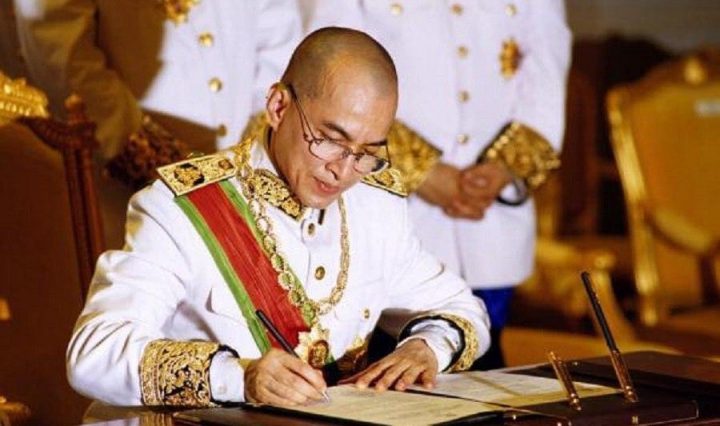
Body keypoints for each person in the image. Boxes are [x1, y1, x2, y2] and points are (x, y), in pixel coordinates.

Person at [66, 27, 490, 407]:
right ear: (278, 106)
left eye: (367, 153)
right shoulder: (178, 208)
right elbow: (94, 354)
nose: (343, 171)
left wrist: (425, 349)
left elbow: (462, 308)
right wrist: (238, 378)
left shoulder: (375, 206)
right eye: (329, 139)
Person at [306, 0, 571, 368]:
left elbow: (546, 76)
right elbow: (332, 76)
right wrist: (422, 170)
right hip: (396, 204)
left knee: (483, 357)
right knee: (378, 359)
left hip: (491, 221)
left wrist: (505, 168)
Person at [12, 0, 302, 248]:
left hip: (246, 189)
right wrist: (152, 158)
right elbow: (60, 54)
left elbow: (276, 32)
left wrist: (258, 152)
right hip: (123, 195)